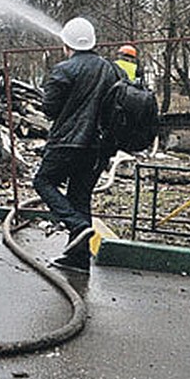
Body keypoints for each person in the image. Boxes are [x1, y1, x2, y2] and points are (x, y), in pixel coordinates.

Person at [33, 16, 122, 273]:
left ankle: (77, 226)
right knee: (80, 196)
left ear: (66, 45)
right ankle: (78, 259)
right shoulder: (112, 69)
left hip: (68, 142)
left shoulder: (64, 70)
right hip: (99, 148)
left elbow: (49, 109)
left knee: (43, 181)